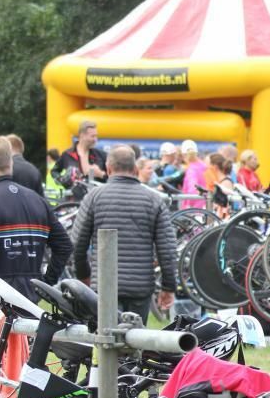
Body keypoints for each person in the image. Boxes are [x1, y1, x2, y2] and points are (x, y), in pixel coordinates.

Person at [0, 135, 71, 303]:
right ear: (10, 163)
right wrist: (45, 283)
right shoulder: (38, 200)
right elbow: (64, 246)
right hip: (31, 300)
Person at [72, 145, 177, 322]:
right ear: (136, 169)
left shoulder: (94, 197)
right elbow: (167, 250)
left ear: (108, 168)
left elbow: (77, 244)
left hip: (104, 286)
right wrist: (168, 287)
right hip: (140, 287)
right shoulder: (154, 200)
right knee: (135, 344)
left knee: (106, 343)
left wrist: (84, 276)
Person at [59, 120, 107, 184]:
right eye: (92, 136)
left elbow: (114, 179)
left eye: (96, 136)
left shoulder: (102, 155)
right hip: (74, 193)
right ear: (82, 135)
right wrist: (64, 181)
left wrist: (101, 174)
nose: (95, 139)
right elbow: (54, 172)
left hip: (96, 193)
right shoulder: (67, 154)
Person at [180, 140, 207, 209]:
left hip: (193, 209)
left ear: (183, 155)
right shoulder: (205, 166)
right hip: (206, 205)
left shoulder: (191, 169)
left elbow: (192, 189)